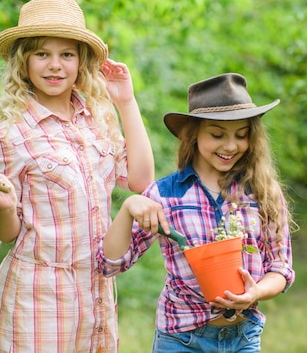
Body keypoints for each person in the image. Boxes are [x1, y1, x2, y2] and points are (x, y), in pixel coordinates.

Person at [0, 0, 155, 353]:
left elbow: (141, 181)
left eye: (66, 54)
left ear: (80, 62)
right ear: (24, 62)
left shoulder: (97, 120)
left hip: (95, 289)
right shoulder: (10, 135)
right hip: (38, 293)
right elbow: (6, 234)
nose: (55, 65)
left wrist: (126, 102)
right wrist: (4, 207)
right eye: (42, 54)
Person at [97, 73, 295, 352]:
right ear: (194, 134)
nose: (230, 146)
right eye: (217, 134)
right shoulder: (165, 195)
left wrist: (256, 291)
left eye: (241, 135)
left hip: (243, 338)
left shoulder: (262, 193)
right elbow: (110, 264)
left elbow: (280, 268)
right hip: (181, 339)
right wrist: (129, 208)